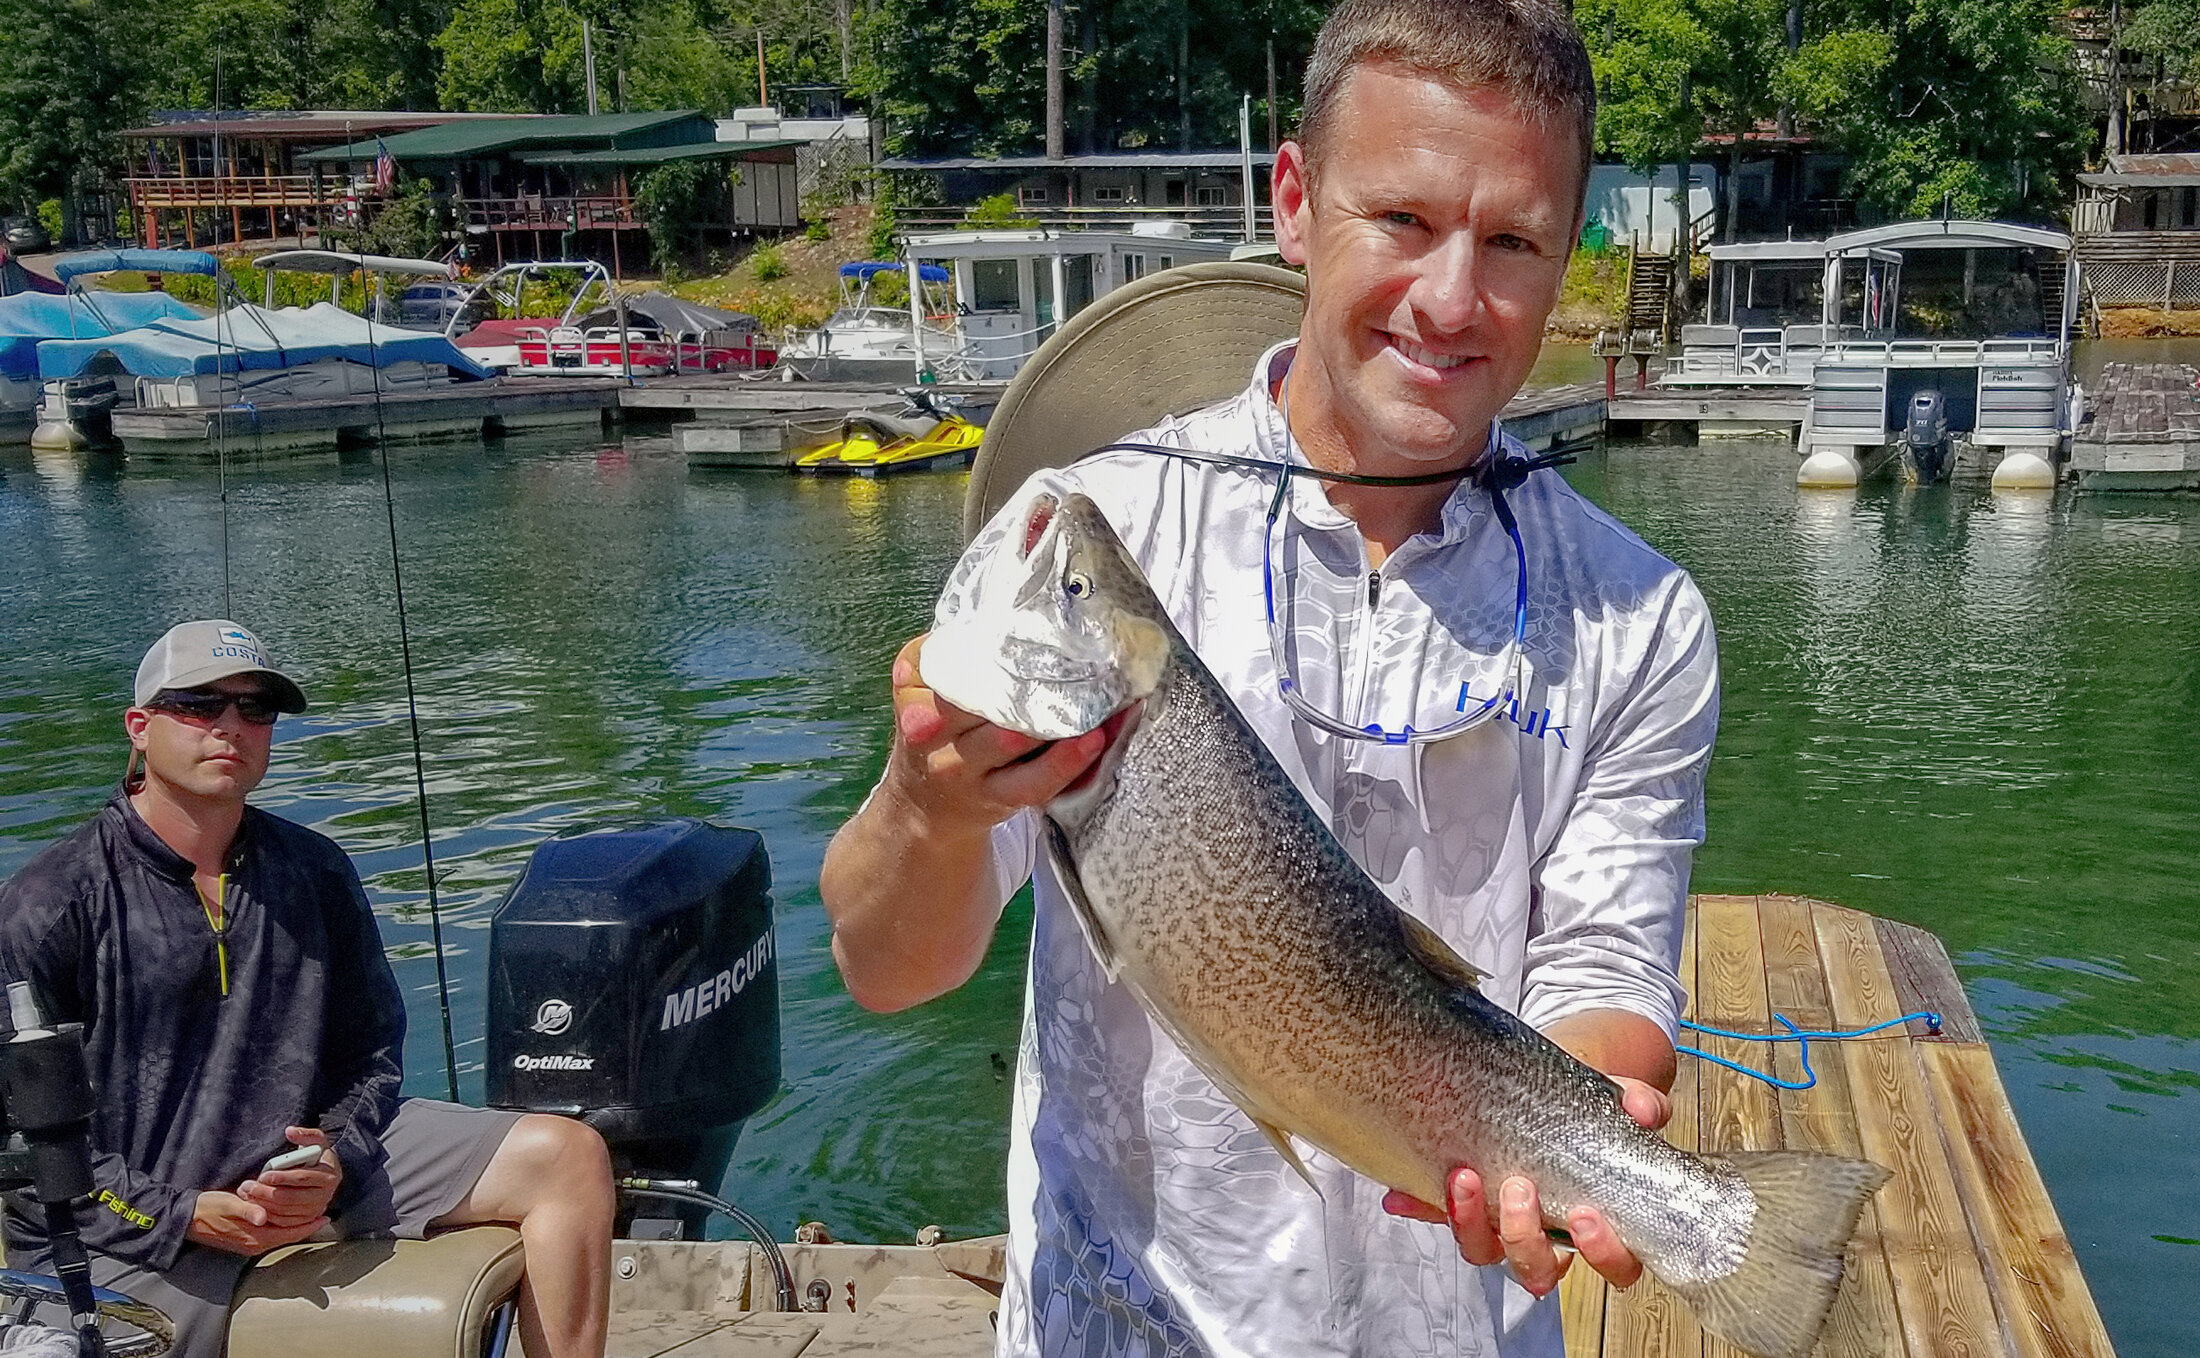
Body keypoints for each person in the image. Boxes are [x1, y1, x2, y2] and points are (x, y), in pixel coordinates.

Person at [820, 0, 1720, 1354]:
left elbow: (1605, 966)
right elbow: (887, 966)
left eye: (1515, 241)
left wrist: (1574, 1142)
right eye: (1401, 221)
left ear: (1566, 257)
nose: (1452, 298)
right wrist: (928, 808)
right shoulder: (1079, 537)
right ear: (1296, 202)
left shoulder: (1640, 616)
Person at [0, 620, 615, 1358]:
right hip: (129, 1228)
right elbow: (24, 1144)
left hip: (299, 1173)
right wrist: (179, 1213)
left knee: (566, 1158)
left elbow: (371, 1052)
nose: (230, 726)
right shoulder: (49, 902)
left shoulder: (315, 868)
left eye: (256, 709)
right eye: (199, 705)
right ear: (140, 728)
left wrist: (333, 1158)